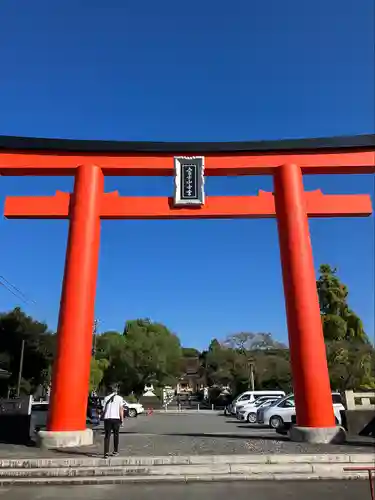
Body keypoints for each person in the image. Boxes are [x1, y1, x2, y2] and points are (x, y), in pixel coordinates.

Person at [102, 386, 124, 458]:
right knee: (116, 435)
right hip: (116, 419)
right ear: (116, 391)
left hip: (107, 418)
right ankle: (115, 451)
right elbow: (121, 409)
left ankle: (106, 453)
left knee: (107, 436)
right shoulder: (120, 398)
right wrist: (122, 420)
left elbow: (104, 410)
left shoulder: (106, 398)